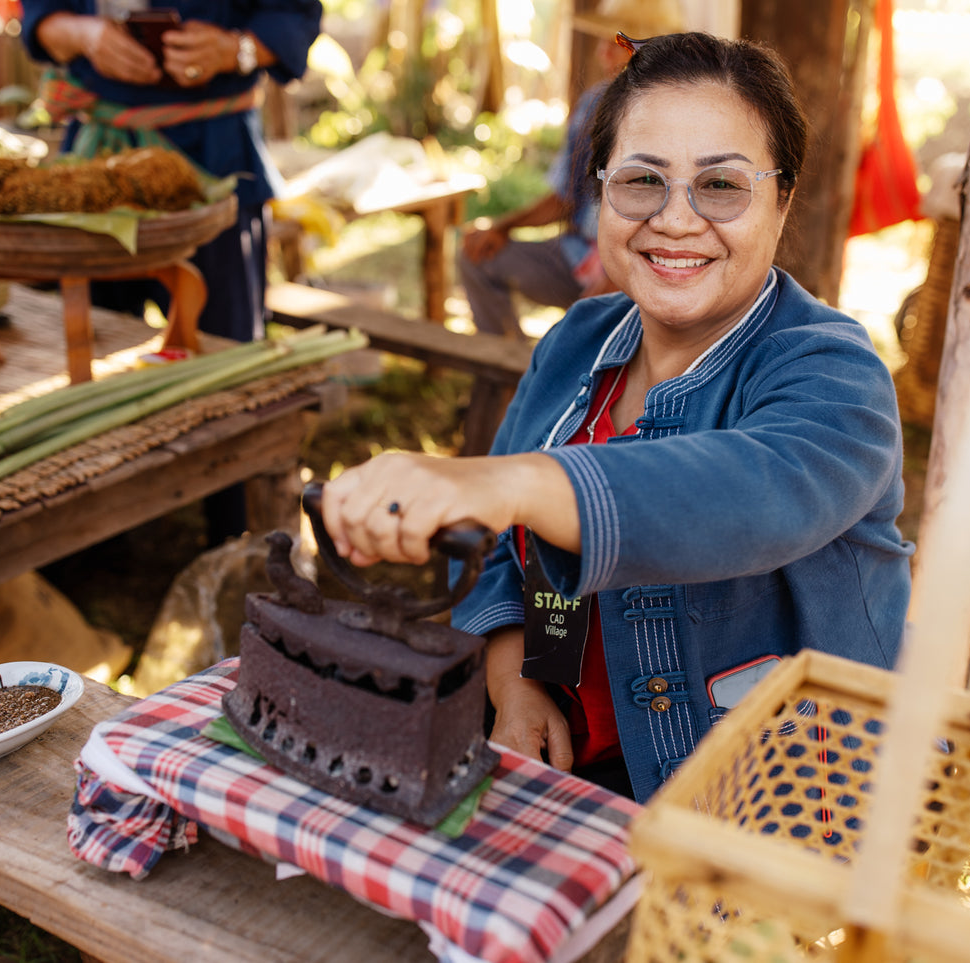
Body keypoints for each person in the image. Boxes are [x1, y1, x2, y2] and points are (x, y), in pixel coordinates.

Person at [317, 32, 914, 803]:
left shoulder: (833, 373)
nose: (674, 219)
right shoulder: (574, 344)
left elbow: (744, 498)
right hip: (589, 772)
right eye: (641, 181)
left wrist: (516, 480)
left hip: (783, 803)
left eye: (721, 186)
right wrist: (515, 681)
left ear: (783, 196)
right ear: (599, 189)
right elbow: (505, 554)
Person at [20, 0, 321, 543]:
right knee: (93, 346)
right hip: (101, 160)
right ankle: (94, 527)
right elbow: (42, 18)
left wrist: (238, 48)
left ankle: (232, 536)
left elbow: (294, 13)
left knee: (225, 353)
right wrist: (85, 33)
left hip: (216, 153)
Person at [456, 0, 683, 339]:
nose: (602, 53)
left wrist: (618, 277)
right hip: (577, 254)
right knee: (475, 256)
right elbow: (564, 197)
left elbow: (674, 222)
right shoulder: (594, 104)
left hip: (646, 270)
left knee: (593, 338)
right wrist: (500, 228)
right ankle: (507, 375)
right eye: (604, 42)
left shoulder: (682, 120)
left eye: (616, 43)